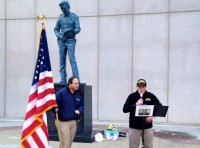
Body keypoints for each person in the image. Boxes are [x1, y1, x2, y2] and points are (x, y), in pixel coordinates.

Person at [123, 79, 162, 148]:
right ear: (136, 87)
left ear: (146, 86)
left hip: (147, 127)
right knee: (133, 146)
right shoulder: (131, 96)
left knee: (148, 146)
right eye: (139, 87)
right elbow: (125, 109)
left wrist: (152, 116)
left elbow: (160, 108)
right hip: (134, 126)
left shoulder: (151, 96)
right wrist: (135, 104)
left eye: (143, 87)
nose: (141, 88)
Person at [54, 0, 81, 83]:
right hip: (61, 41)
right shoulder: (60, 18)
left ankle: (76, 79)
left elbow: (78, 28)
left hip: (71, 41)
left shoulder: (74, 17)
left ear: (68, 7)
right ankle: (63, 79)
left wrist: (72, 32)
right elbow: (56, 29)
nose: (63, 10)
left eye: (64, 8)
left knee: (72, 58)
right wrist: (59, 36)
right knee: (62, 60)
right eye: (61, 8)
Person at [55, 76, 84, 148]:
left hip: (74, 122)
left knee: (69, 143)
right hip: (63, 123)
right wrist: (55, 108)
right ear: (70, 84)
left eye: (78, 83)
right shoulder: (61, 93)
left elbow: (82, 105)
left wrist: (80, 110)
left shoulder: (78, 93)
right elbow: (54, 103)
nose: (77, 85)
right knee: (65, 143)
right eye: (75, 83)